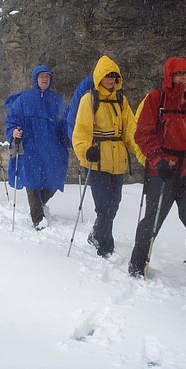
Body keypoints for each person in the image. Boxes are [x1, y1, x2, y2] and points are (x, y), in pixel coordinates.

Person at [127, 57, 186, 289]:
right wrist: (157, 159)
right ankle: (137, 264)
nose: (184, 78)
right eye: (178, 74)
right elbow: (142, 134)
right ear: (169, 76)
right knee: (152, 222)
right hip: (162, 172)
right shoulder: (157, 99)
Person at [72, 55, 140, 257]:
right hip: (96, 160)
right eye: (107, 76)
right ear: (99, 77)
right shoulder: (89, 99)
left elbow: (131, 131)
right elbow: (80, 131)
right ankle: (105, 245)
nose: (111, 80)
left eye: (114, 76)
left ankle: (96, 234)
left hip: (117, 160)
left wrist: (143, 152)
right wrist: (86, 150)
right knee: (105, 205)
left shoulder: (121, 100)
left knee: (114, 203)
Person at [5, 64, 70, 230]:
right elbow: (12, 120)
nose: (44, 79)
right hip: (31, 149)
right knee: (32, 182)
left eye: (47, 77)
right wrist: (14, 132)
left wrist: (71, 139)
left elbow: (66, 125)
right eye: (41, 76)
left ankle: (39, 205)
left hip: (52, 151)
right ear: (36, 79)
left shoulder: (57, 101)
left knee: (53, 180)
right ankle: (38, 219)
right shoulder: (24, 100)